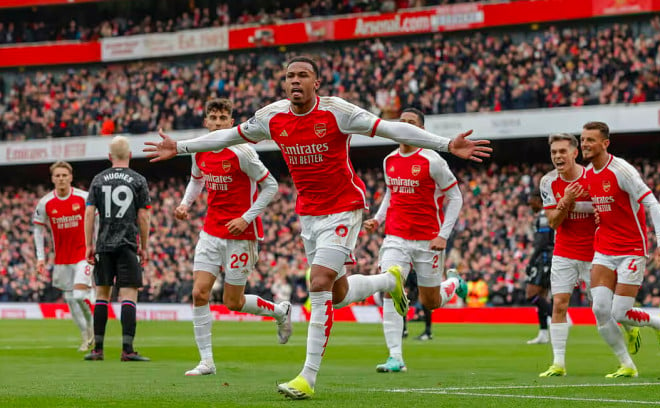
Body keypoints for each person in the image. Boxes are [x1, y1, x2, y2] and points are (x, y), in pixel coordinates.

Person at [144, 56, 491, 399]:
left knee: (319, 282)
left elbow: (391, 128)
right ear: (284, 84)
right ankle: (390, 280)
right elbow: (226, 137)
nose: (295, 81)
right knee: (337, 295)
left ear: (316, 83)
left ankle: (307, 376)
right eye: (290, 76)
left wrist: (444, 144)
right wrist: (181, 148)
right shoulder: (271, 117)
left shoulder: (337, 111)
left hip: (344, 209)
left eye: (303, 76)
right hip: (308, 214)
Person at [174, 98, 291, 376]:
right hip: (210, 231)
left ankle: (279, 311)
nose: (216, 123)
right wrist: (185, 204)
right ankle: (207, 362)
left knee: (233, 303)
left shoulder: (243, 153)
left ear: (231, 122)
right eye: (212, 117)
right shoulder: (199, 149)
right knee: (199, 292)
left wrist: (246, 217)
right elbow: (197, 179)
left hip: (241, 233)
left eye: (222, 118)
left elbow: (271, 186)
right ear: (206, 121)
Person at [363, 107, 467, 373]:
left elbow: (455, 198)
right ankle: (395, 357)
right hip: (396, 238)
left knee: (430, 301)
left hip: (428, 241)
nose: (405, 127)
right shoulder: (389, 160)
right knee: (390, 287)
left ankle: (454, 282)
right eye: (402, 122)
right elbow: (391, 193)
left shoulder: (433, 161)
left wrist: (443, 235)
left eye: (411, 123)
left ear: (421, 130)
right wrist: (378, 218)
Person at [581, 121, 660, 377]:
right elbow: (598, 208)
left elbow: (652, 203)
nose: (585, 144)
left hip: (631, 249)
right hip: (603, 249)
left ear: (605, 143)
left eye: (590, 139)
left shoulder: (622, 170)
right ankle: (627, 365)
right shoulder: (589, 174)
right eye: (583, 139)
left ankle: (658, 323)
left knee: (619, 312)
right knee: (600, 310)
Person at [84, 136, 151, 362]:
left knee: (102, 294)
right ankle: (127, 350)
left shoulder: (98, 179)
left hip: (103, 244)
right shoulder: (138, 180)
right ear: (130, 155)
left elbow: (89, 213)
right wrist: (145, 245)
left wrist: (89, 244)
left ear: (109, 156)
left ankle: (98, 350)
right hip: (128, 244)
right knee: (129, 295)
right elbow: (144, 215)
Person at [537, 133, 596, 376]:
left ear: (575, 153)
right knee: (559, 304)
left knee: (604, 310)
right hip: (564, 252)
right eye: (554, 153)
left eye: (562, 151)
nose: (558, 156)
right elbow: (553, 222)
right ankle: (558, 363)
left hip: (596, 254)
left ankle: (642, 326)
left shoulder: (592, 178)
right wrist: (566, 201)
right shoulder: (548, 182)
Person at [33, 161, 94, 352]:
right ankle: (85, 336)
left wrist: (95, 246)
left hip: (83, 255)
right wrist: (40, 257)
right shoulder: (45, 203)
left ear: (70, 177)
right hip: (61, 259)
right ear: (52, 178)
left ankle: (93, 330)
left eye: (64, 175)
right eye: (57, 175)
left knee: (78, 296)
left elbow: (98, 219)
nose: (61, 178)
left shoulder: (84, 198)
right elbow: (37, 230)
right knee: (70, 300)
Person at [525, 189, 554, 345]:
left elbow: (542, 242)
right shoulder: (546, 214)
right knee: (541, 296)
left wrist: (531, 261)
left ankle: (559, 317)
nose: (530, 205)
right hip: (548, 257)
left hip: (544, 258)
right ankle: (543, 333)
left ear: (538, 200)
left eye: (532, 201)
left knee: (531, 294)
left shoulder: (544, 215)